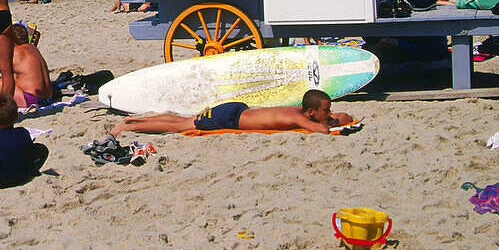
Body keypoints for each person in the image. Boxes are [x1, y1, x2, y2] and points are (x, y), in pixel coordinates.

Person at [109, 89, 353, 137]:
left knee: (184, 120)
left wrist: (336, 116)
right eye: (325, 110)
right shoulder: (297, 117)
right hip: (229, 118)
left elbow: (329, 122)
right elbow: (323, 129)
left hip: (237, 110)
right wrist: (340, 119)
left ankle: (135, 119)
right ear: (311, 111)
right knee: (179, 127)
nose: (328, 114)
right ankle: (128, 127)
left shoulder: (297, 110)